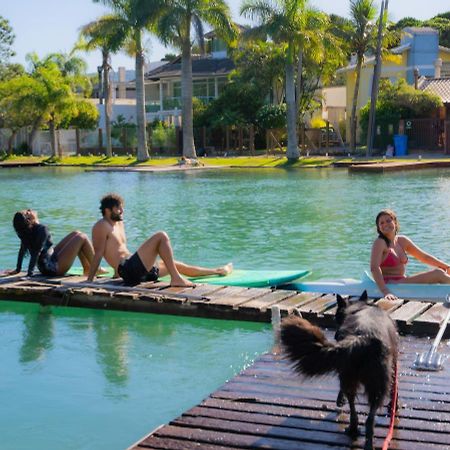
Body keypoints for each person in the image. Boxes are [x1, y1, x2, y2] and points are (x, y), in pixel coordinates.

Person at [87, 193, 233, 287]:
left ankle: (218, 271)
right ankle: (176, 278)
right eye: (118, 209)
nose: (122, 211)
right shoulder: (101, 226)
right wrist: (90, 280)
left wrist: (115, 273)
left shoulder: (119, 224)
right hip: (129, 271)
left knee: (177, 265)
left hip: (137, 271)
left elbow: (117, 250)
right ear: (107, 210)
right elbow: (99, 253)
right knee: (161, 236)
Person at [370, 209, 450, 301]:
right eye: (381, 223)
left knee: (440, 271)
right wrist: (385, 291)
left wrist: (447, 267)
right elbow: (374, 267)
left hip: (403, 280)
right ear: (378, 228)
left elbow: (424, 257)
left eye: (388, 220)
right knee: (437, 274)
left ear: (395, 223)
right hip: (390, 284)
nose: (385, 224)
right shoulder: (380, 242)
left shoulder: (402, 241)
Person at [7, 209, 103, 277]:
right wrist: (30, 274)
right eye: (28, 211)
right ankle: (96, 268)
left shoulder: (30, 232)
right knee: (82, 237)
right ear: (30, 219)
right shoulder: (41, 229)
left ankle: (87, 269)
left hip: (47, 263)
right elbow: (36, 252)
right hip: (53, 268)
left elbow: (21, 252)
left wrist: (18, 269)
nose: (30, 209)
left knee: (76, 233)